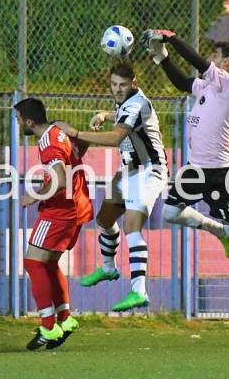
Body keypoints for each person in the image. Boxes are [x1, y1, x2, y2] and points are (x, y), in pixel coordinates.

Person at [140, 29, 229, 312]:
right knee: (170, 213)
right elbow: (182, 82)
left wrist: (170, 37)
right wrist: (162, 58)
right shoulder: (207, 86)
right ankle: (216, 229)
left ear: (226, 62)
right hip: (196, 169)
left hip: (220, 172)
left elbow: (197, 61)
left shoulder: (228, 85)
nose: (211, 58)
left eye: (216, 56)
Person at [54, 61, 171, 312]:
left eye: (123, 85)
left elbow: (117, 137)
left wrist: (76, 133)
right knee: (104, 220)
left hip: (150, 170)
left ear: (134, 83)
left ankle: (139, 291)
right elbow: (121, 116)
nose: (117, 89)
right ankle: (109, 268)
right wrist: (105, 115)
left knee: (131, 225)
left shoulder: (138, 103)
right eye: (114, 84)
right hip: (128, 170)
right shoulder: (125, 101)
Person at [15, 97, 93, 350]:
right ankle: (65, 319)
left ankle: (48, 327)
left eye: (18, 119)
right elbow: (80, 147)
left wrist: (34, 196)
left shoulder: (48, 143)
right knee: (48, 264)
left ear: (29, 122)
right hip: (77, 206)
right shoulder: (59, 131)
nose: (18, 124)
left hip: (60, 211)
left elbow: (60, 179)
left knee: (33, 262)